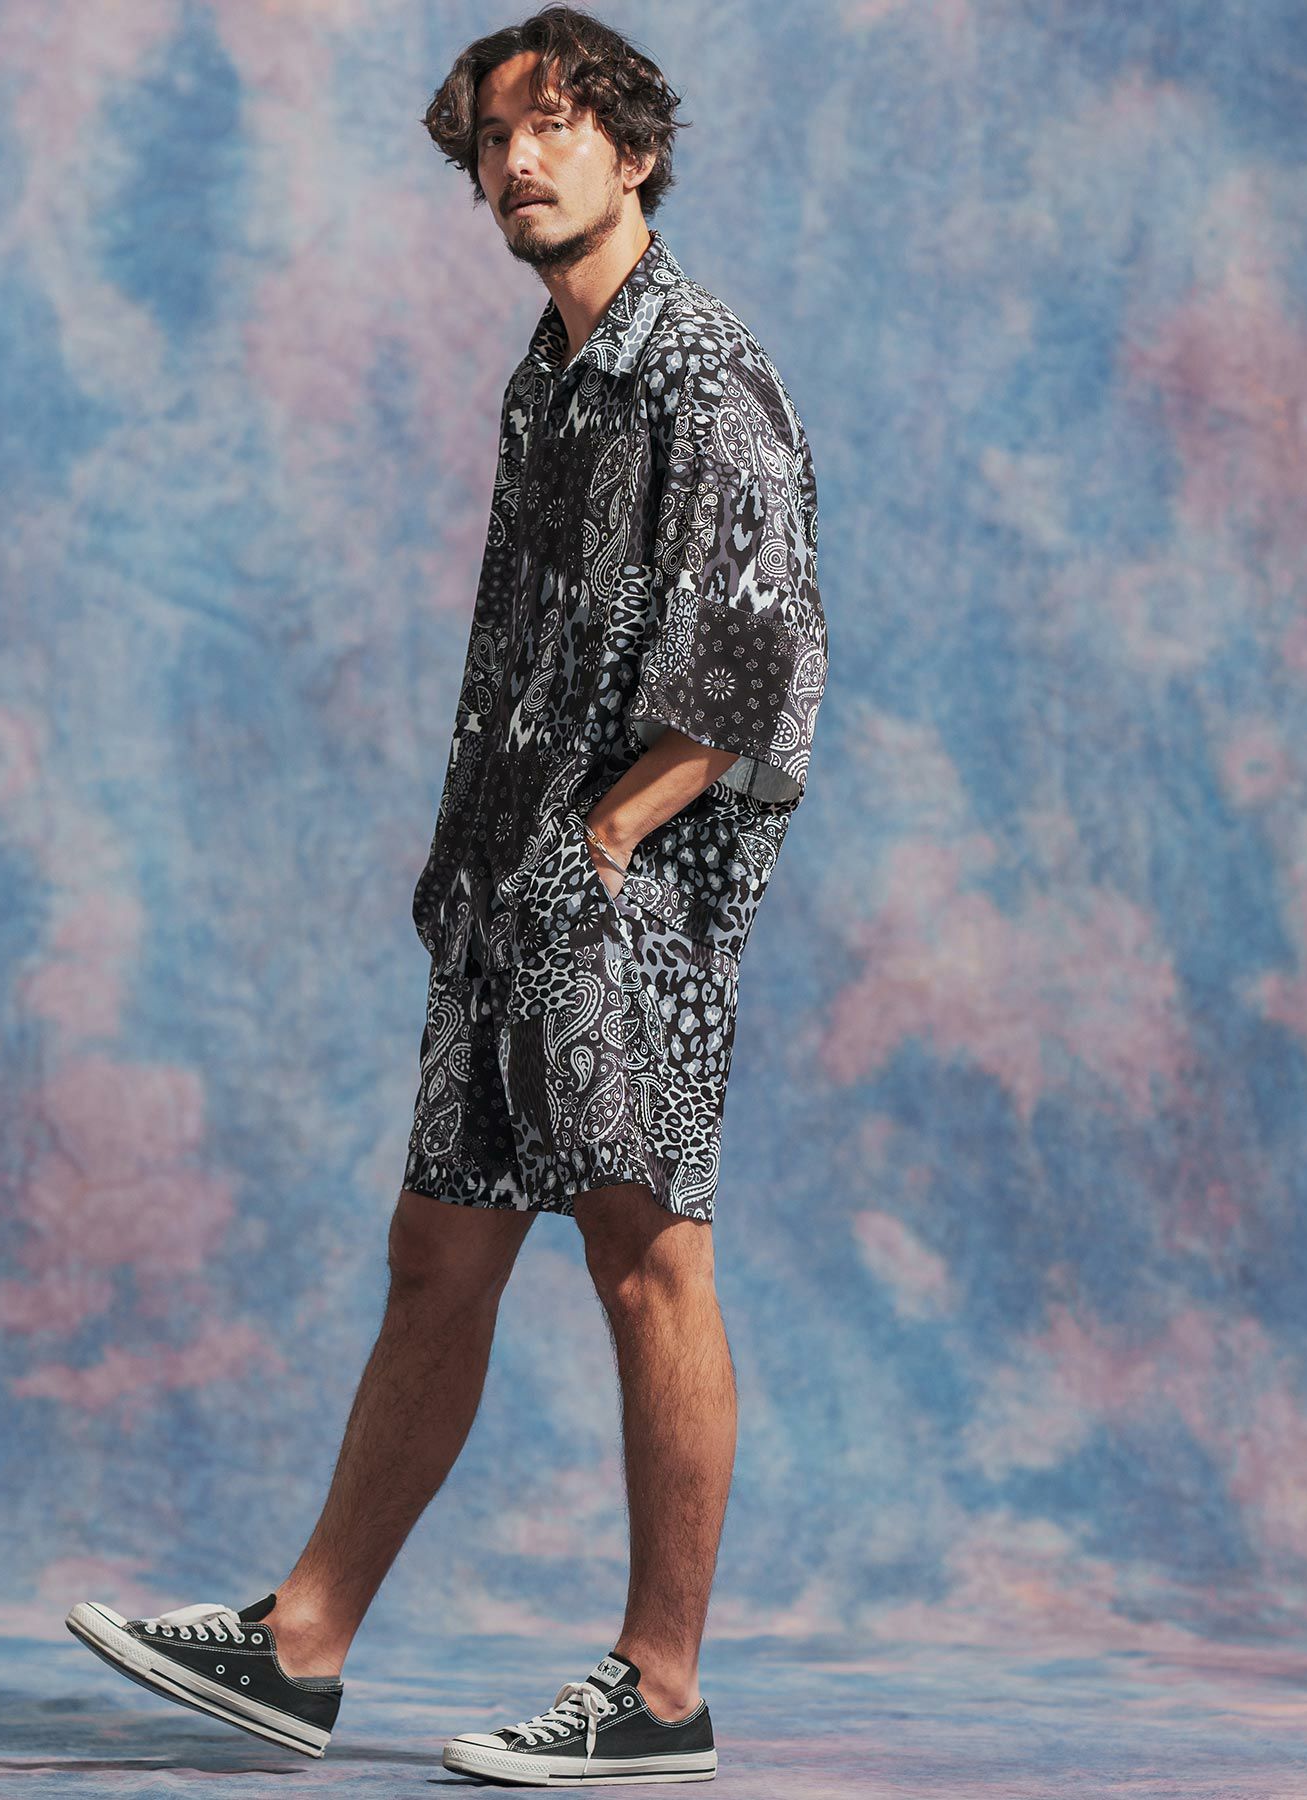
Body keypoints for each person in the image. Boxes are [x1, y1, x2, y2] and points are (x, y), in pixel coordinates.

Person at [65, 6, 827, 1784]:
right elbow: (517, 654)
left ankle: (659, 1694)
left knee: (648, 1263)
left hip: (625, 908)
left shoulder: (701, 374)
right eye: (494, 137)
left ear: (636, 150)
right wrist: (475, 867)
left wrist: (605, 848)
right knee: (439, 1255)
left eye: (555, 124)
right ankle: (301, 1648)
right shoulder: (547, 377)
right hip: (505, 902)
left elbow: (756, 665)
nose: (519, 161)